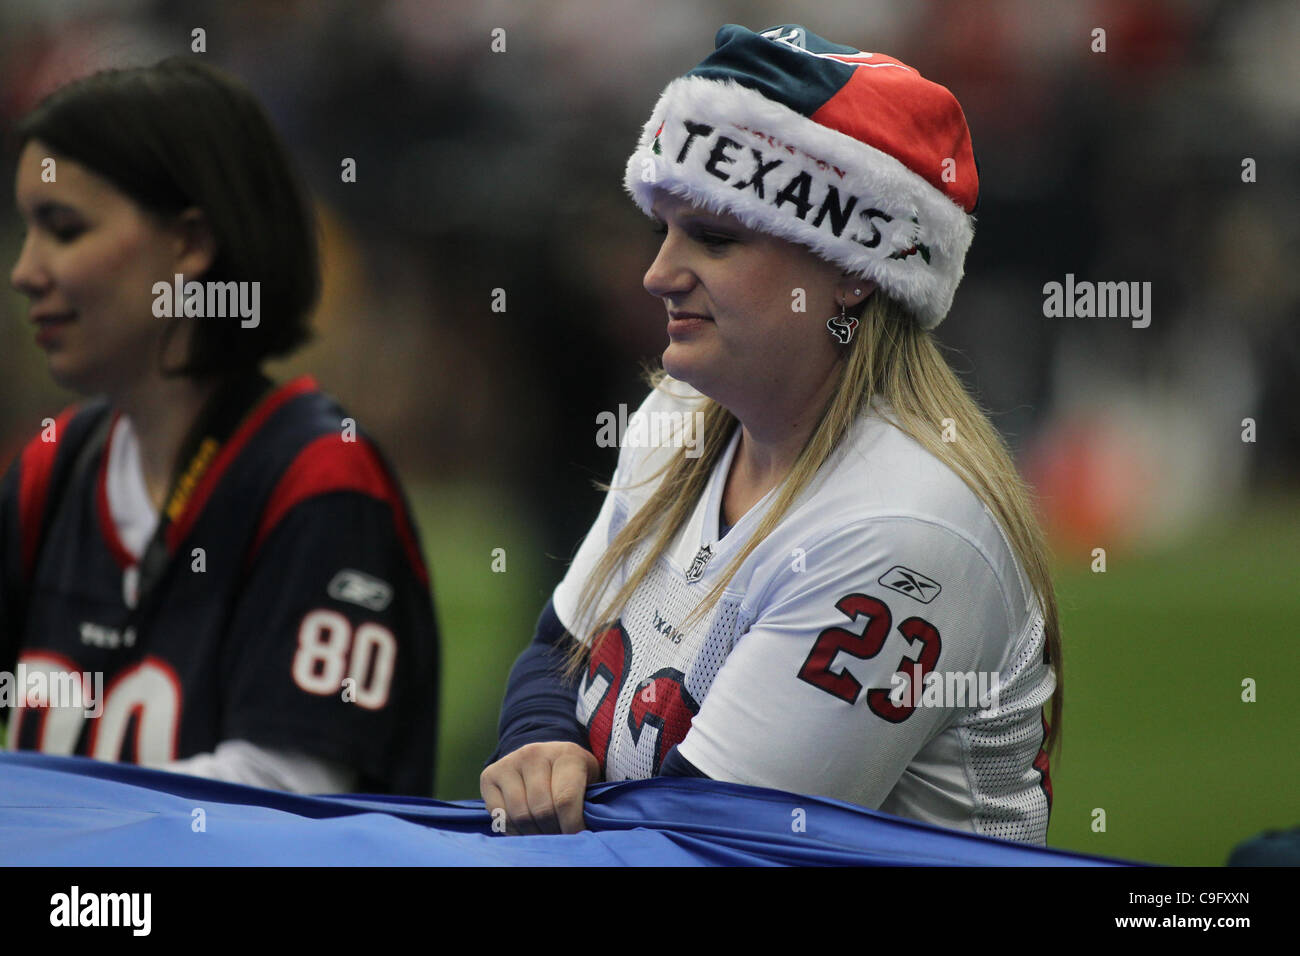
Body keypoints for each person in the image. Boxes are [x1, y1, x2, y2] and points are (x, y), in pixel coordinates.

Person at [481, 24, 1061, 843]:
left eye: (715, 237)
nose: (658, 274)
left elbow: (706, 843)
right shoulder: (680, 415)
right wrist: (542, 743)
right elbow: (557, 647)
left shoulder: (904, 526)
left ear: (857, 271)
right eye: (663, 230)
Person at [1, 57, 439, 796]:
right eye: (26, 230)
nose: (25, 271)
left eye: (64, 229)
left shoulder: (318, 479)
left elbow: (283, 800)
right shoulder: (57, 464)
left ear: (191, 245)